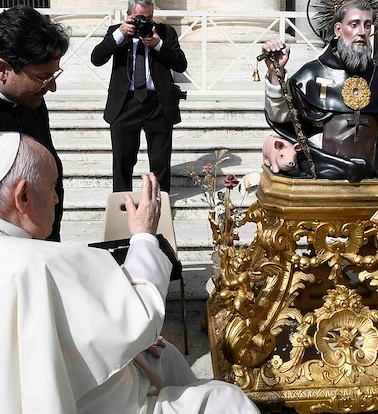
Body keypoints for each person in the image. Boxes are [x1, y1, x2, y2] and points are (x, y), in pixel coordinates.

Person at [0, 131, 259, 414]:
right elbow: (140, 312)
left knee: (164, 355)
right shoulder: (43, 263)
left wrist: (133, 344)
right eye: (52, 187)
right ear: (23, 196)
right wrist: (145, 235)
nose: (55, 199)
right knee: (228, 400)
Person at [262, 0, 378, 198]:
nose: (362, 32)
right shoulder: (311, 73)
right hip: (323, 175)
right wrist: (276, 72)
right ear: (338, 29)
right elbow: (281, 118)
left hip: (372, 179)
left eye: (367, 24)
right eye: (353, 24)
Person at [91, 0, 187, 193]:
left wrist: (158, 45)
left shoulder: (165, 33)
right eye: (139, 18)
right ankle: (123, 204)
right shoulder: (116, 32)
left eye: (149, 18)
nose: (145, 22)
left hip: (158, 104)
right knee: (122, 160)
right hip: (125, 103)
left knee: (160, 160)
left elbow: (180, 64)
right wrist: (119, 34)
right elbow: (96, 58)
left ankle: (159, 202)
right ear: (128, 15)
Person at [0, 4, 70, 241]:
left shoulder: (32, 103)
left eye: (54, 76)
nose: (52, 87)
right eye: (42, 78)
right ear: (2, 70)